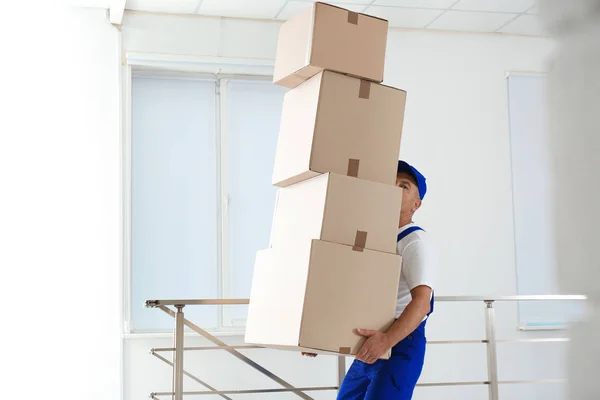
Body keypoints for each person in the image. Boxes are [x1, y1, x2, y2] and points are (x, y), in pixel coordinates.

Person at [303, 160, 436, 400]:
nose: (394, 188)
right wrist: (320, 339)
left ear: (416, 205)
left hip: (400, 341)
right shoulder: (375, 238)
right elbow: (355, 294)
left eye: (404, 186)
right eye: (391, 183)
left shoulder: (414, 242)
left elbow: (422, 303)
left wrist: (386, 341)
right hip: (374, 339)